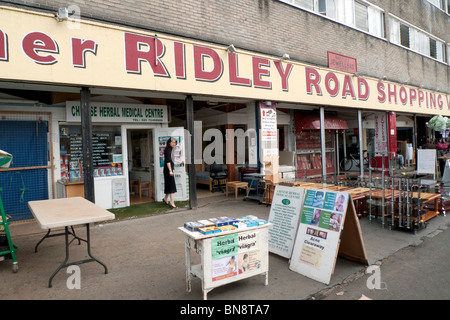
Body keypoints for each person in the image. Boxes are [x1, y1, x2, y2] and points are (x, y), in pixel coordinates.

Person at [162, 137, 178, 209]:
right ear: (169, 143)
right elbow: (168, 161)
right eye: (172, 142)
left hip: (167, 170)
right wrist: (170, 171)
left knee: (169, 185)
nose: (174, 144)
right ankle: (172, 202)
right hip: (168, 170)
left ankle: (165, 199)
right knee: (172, 186)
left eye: (175, 142)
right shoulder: (168, 150)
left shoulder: (171, 150)